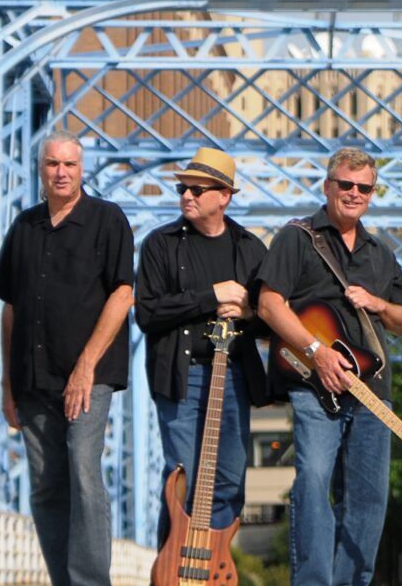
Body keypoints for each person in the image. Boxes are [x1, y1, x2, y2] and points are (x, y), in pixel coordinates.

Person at [257, 147, 402, 586]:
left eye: (364, 187)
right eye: (346, 184)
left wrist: (378, 303)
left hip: (373, 391)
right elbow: (268, 305)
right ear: (328, 186)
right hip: (315, 385)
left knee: (369, 499)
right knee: (313, 480)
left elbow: (401, 321)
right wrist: (316, 353)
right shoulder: (297, 237)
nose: (354, 193)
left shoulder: (380, 252)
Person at [0, 130, 135, 586]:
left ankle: (91, 581)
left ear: (81, 169)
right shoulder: (24, 226)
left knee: (83, 471)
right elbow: (10, 308)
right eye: (52, 164)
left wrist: (86, 366)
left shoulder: (108, 220)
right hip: (33, 379)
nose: (61, 172)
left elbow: (123, 293)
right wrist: (7, 385)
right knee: (47, 487)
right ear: (40, 169)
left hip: (90, 377)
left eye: (69, 164)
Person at [135, 147, 268, 542]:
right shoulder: (161, 244)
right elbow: (147, 313)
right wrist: (212, 295)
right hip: (183, 375)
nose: (186, 196)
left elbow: (273, 320)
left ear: (224, 196)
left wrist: (248, 311)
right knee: (184, 478)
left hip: (235, 377)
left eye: (197, 189)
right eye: (182, 189)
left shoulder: (251, 248)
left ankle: (210, 570)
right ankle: (173, 570)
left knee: (229, 480)